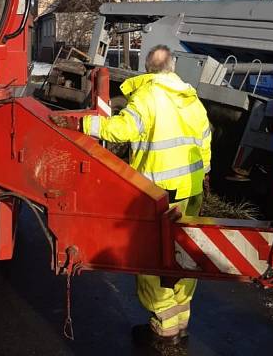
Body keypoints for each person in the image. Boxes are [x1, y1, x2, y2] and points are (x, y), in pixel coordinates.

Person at [82, 45, 212, 349]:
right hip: (191, 187)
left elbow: (122, 130)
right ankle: (180, 322)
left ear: (146, 67)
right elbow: (205, 138)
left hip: (159, 192)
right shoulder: (190, 97)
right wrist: (205, 173)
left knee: (152, 258)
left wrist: (86, 124)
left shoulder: (148, 96)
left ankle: (163, 332)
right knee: (184, 254)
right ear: (172, 66)